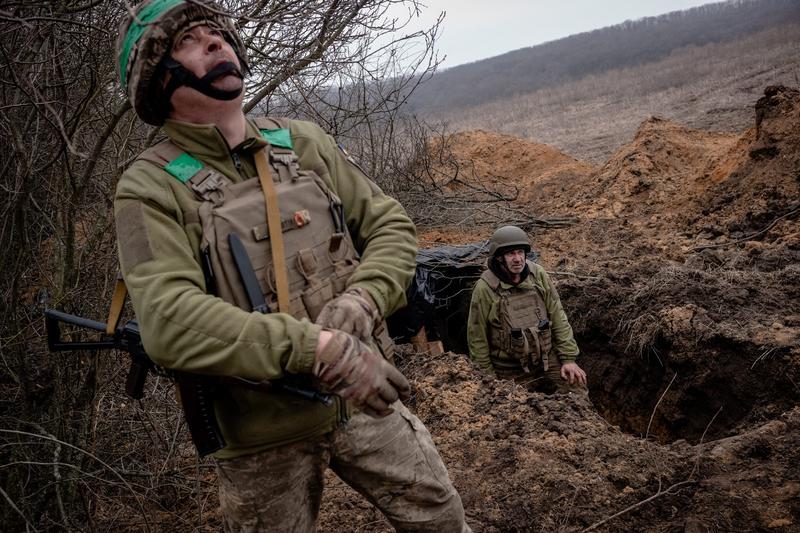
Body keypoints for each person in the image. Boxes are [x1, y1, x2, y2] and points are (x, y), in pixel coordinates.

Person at [114, 1, 469, 531]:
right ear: (156, 79)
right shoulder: (149, 187)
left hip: (361, 401)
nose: (216, 43)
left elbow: (390, 226)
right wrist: (317, 348)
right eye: (189, 41)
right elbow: (169, 319)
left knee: (441, 517)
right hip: (262, 437)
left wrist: (364, 297)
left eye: (218, 33)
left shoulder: (301, 142)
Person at [467, 225, 587, 393]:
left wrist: (568, 359)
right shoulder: (485, 289)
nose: (517, 259)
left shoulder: (537, 275)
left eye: (520, 252)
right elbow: (477, 338)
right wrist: (488, 379)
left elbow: (558, 315)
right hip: (509, 369)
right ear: (500, 258)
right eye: (511, 254)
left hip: (546, 360)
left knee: (576, 387)